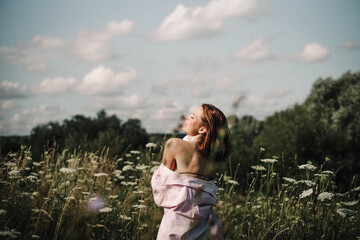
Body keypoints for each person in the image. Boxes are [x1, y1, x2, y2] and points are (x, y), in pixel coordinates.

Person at [151, 103, 231, 240]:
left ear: (202, 129)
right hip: (206, 225)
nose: (187, 117)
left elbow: (160, 185)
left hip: (175, 224)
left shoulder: (174, 144)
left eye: (192, 117)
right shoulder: (213, 159)